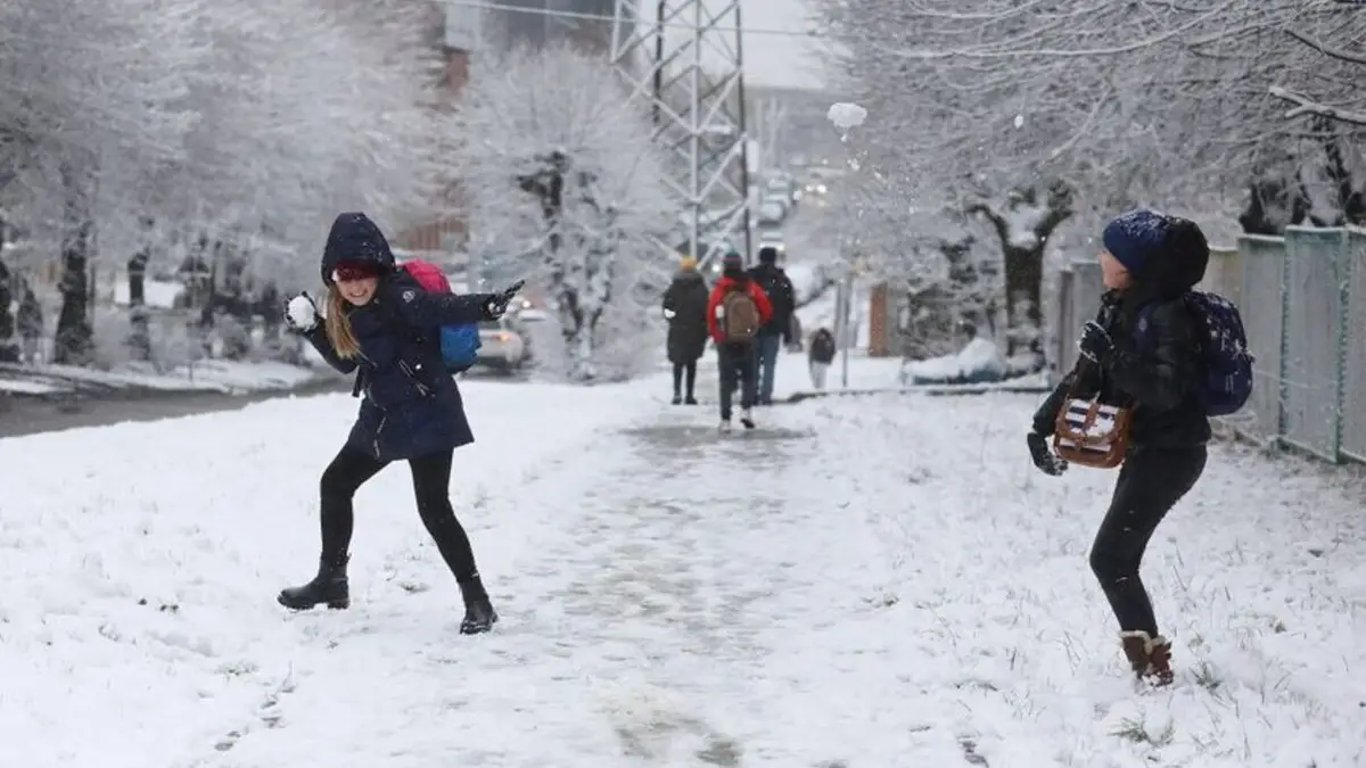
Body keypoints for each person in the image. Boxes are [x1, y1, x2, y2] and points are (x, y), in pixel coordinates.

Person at [279, 212, 522, 635]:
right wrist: (313, 327)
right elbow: (344, 362)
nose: (355, 284)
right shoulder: (345, 310)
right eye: (344, 275)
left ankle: (478, 602)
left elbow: (440, 307)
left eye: (363, 274)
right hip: (383, 414)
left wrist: (486, 305)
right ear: (333, 277)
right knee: (335, 483)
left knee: (433, 507)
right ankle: (332, 581)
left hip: (427, 409)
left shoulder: (399, 296)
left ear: (379, 270)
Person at [1027, 209, 1211, 685]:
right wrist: (1040, 424)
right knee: (1115, 558)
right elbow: (1084, 373)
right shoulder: (1120, 304)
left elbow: (1165, 391)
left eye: (1109, 251)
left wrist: (1114, 355)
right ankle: (1149, 663)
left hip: (1174, 452)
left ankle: (1153, 669)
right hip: (1147, 449)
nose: (1100, 255)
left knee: (1110, 558)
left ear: (1130, 264)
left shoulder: (1166, 315)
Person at [706, 251, 772, 431]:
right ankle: (746, 410)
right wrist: (754, 327)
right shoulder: (750, 287)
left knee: (726, 381)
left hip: (726, 341)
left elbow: (711, 314)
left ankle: (726, 420)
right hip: (748, 339)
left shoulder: (721, 288)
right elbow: (766, 308)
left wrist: (717, 334)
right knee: (749, 377)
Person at [746, 245, 795, 405]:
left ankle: (751, 393)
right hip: (773, 329)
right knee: (769, 364)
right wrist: (787, 332)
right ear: (774, 258)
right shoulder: (782, 279)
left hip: (751, 328)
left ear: (760, 258)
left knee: (752, 363)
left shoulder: (750, 278)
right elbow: (789, 307)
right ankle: (766, 395)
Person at [661, 255, 709, 405]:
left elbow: (667, 308)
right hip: (696, 330)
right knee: (691, 363)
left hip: (678, 330)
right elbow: (706, 309)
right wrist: (703, 325)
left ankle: (677, 393)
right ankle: (689, 394)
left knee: (677, 363)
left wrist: (672, 319)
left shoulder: (674, 287)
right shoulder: (701, 288)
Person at [17, 283, 43, 364]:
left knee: (28, 344)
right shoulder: (35, 306)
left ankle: (27, 358)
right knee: (31, 344)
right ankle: (29, 358)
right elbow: (40, 319)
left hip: (28, 330)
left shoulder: (23, 306)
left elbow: (20, 319)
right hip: (32, 331)